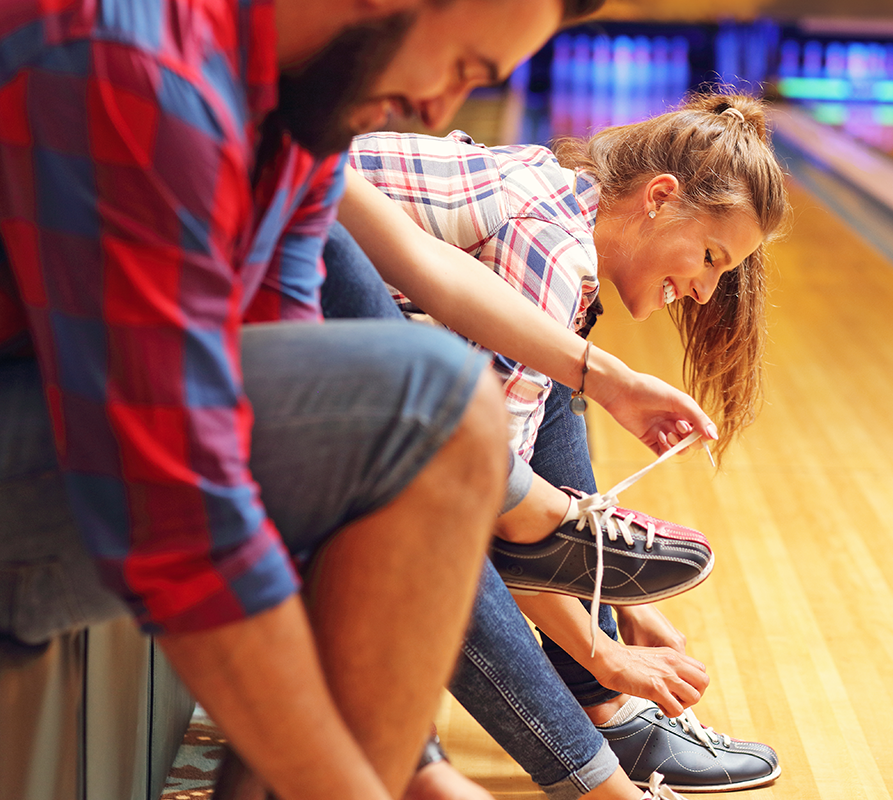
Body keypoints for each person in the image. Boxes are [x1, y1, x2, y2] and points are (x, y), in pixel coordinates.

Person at [0, 1, 715, 799]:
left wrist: (416, 763)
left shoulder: (298, 113)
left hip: (82, 428)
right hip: (51, 461)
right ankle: (544, 562)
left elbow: (300, 415)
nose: (443, 112)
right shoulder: (134, 71)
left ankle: (541, 541)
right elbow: (180, 505)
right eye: (463, 68)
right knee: (433, 404)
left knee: (445, 406)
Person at [337, 91, 790, 794]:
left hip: (315, 329)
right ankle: (596, 745)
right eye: (710, 257)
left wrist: (622, 604)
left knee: (550, 395)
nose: (705, 292)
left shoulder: (558, 205)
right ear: (659, 197)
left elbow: (507, 461)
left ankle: (601, 706)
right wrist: (603, 648)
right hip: (275, 338)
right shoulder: (551, 244)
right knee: (462, 497)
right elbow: (485, 506)